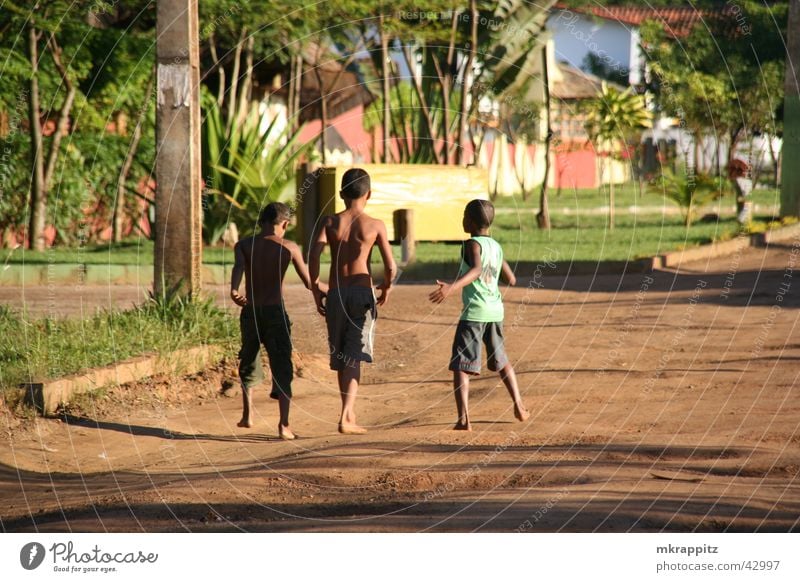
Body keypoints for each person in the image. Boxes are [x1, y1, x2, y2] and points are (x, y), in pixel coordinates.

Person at [309, 168, 397, 435]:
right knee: (354, 355)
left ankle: (347, 411)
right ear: (369, 194)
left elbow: (313, 257)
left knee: (340, 356)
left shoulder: (329, 222)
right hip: (361, 294)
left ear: (340, 194)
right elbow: (390, 267)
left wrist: (316, 289)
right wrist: (385, 288)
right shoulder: (375, 225)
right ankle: (347, 416)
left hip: (336, 294)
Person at [429, 199, 530, 431]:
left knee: (461, 365)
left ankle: (464, 418)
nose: (462, 219)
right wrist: (492, 272)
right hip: (495, 312)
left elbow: (475, 270)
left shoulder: (471, 244)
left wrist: (451, 288)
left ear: (471, 222)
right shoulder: (495, 246)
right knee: (502, 360)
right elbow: (511, 279)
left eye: (464, 215)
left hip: (474, 313)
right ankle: (520, 406)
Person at [230, 202, 318, 440]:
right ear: (285, 224)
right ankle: (284, 425)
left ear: (262, 222)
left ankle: (247, 415)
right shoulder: (289, 247)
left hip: (250, 312)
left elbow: (239, 267)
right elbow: (310, 283)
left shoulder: (244, 245)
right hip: (275, 313)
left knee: (248, 358)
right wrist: (332, 290)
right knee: (282, 365)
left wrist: (234, 290)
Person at [729, 158, 753, 225]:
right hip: (742, 186)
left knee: (742, 204)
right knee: (744, 204)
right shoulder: (740, 179)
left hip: (741, 188)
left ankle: (741, 219)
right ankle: (741, 219)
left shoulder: (741, 180)